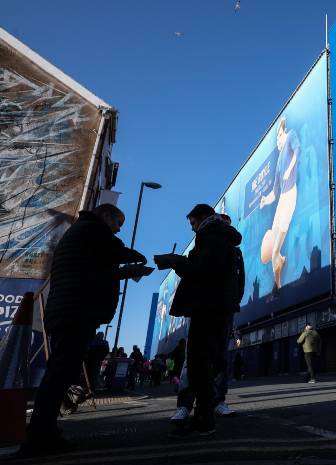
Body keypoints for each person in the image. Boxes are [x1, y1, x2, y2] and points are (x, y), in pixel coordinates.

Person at [21, 204, 148, 457]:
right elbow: (118, 252)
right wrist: (139, 260)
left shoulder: (82, 232)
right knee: (59, 374)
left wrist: (124, 272)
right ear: (106, 216)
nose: (119, 228)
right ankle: (40, 435)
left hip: (68, 310)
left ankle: (44, 431)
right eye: (118, 222)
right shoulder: (92, 230)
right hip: (76, 311)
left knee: (59, 372)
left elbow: (95, 268)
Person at [156, 204, 245, 438]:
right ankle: (202, 416)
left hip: (207, 305)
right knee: (207, 360)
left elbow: (204, 270)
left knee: (198, 362)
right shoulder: (220, 237)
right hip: (219, 305)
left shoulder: (211, 234)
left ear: (203, 218)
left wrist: (176, 261)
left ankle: (203, 418)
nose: (192, 229)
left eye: (193, 223)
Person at [259, 116, 301, 289]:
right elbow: (274, 193)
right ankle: (279, 269)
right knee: (273, 253)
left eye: (277, 138)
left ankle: (278, 283)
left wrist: (290, 170)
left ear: (282, 134)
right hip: (281, 199)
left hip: (290, 195)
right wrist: (265, 200)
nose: (277, 143)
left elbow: (298, 152)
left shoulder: (291, 135)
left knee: (275, 250)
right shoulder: (277, 164)